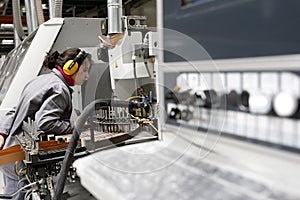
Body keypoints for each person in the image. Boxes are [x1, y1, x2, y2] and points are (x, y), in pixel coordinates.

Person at [0, 47, 91, 199]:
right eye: (85, 70)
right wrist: (74, 127)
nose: (87, 76)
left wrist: (2, 132)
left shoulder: (41, 80)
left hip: (10, 151)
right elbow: (45, 122)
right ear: (70, 68)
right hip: (22, 161)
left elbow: (14, 111)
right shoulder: (59, 88)